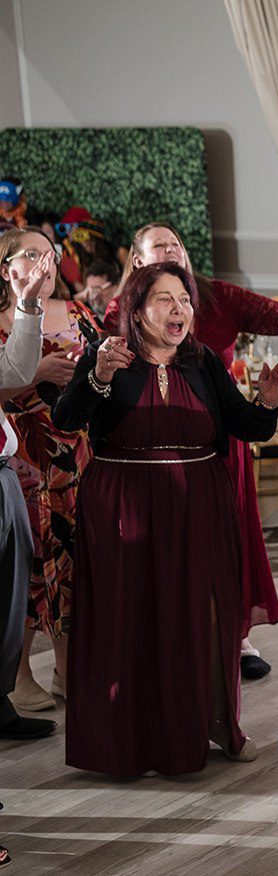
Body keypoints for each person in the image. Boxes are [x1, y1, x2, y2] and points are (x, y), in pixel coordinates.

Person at [53, 263, 278, 774]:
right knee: (130, 618)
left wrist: (266, 404)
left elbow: (245, 426)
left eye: (184, 299)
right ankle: (129, 741)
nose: (179, 308)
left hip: (199, 507)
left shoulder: (202, 362)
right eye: (165, 299)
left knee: (204, 616)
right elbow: (66, 418)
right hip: (123, 506)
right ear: (136, 311)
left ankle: (217, 726)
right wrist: (97, 378)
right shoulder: (108, 356)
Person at [105, 223, 278, 680]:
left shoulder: (216, 297)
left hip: (220, 436)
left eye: (177, 244)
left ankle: (235, 634)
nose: (172, 251)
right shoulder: (119, 310)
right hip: (147, 449)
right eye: (159, 247)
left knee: (230, 537)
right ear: (137, 262)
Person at [0, 227, 94, 714]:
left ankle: (65, 667)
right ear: (6, 269)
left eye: (50, 255)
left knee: (73, 556)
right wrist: (37, 374)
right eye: (32, 256)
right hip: (25, 455)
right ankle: (17, 675)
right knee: (31, 565)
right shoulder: (1, 319)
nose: (45, 264)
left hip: (75, 452)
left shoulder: (77, 311)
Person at [0, 241, 51, 744]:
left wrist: (29, 303)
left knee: (10, 599)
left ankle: (0, 703)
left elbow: (12, 371)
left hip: (4, 470)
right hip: (16, 465)